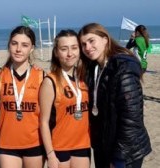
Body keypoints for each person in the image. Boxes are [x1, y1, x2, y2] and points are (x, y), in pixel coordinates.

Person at [78, 23, 152, 168]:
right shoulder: (94, 67)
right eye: (83, 44)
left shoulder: (122, 66)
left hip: (126, 150)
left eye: (92, 41)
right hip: (104, 145)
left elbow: (131, 118)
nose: (87, 47)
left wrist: (119, 158)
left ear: (105, 39)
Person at [39, 29, 91, 168]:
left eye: (74, 48)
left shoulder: (85, 78)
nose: (69, 54)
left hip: (83, 144)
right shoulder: (50, 81)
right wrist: (50, 154)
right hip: (59, 147)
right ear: (56, 52)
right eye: (64, 49)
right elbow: (43, 122)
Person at [0, 25, 45, 168]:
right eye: (14, 43)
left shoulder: (42, 76)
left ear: (32, 48)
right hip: (7, 143)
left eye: (24, 45)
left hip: (35, 142)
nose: (18, 49)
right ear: (9, 45)